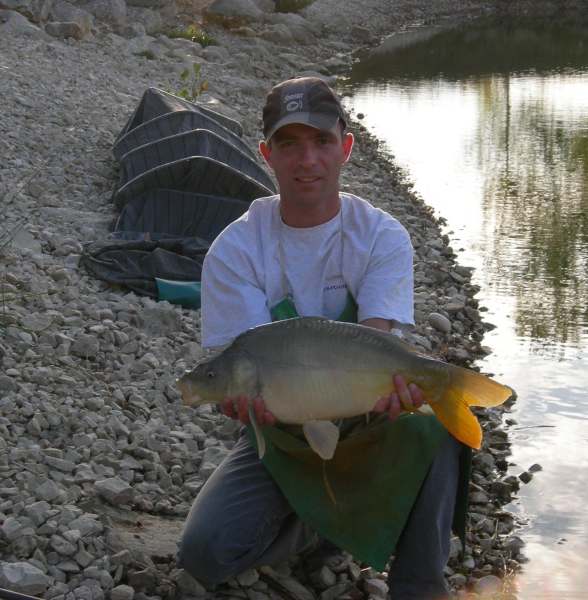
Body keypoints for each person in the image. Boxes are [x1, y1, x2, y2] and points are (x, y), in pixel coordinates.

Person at [175, 76, 464, 600]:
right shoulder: (236, 249)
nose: (307, 159)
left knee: (436, 423)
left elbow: (375, 344)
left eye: (321, 141)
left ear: (345, 147)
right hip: (281, 438)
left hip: (369, 417)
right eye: (289, 143)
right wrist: (233, 400)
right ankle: (320, 530)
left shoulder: (380, 235)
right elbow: (241, 360)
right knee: (205, 554)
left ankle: (421, 586)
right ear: (267, 154)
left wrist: (407, 383)